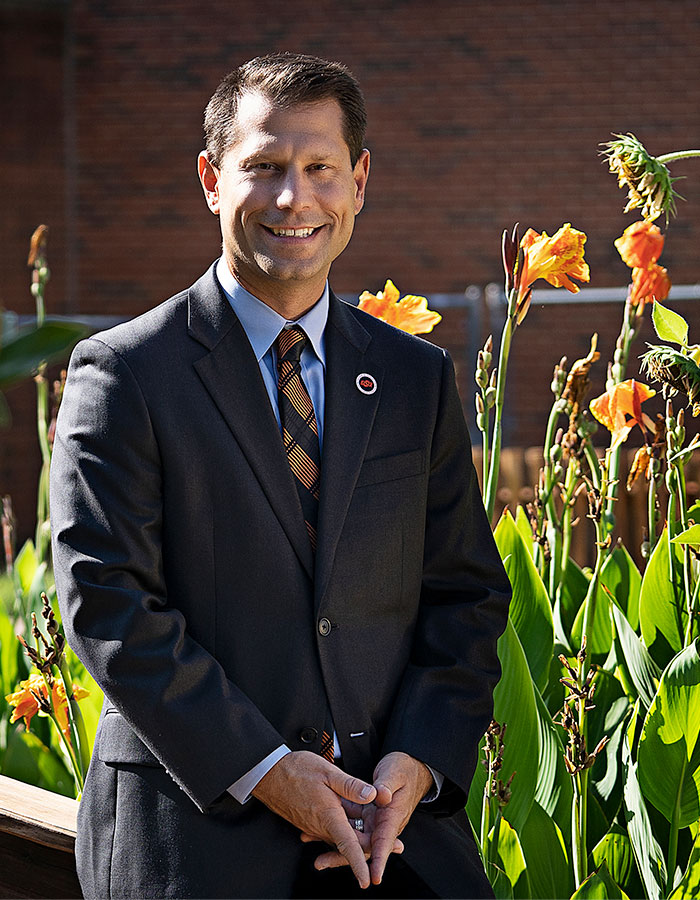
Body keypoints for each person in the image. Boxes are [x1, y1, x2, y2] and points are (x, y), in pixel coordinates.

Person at [50, 52, 511, 899]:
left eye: (319, 168)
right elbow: (107, 598)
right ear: (211, 180)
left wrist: (420, 760)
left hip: (390, 841)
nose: (293, 198)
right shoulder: (124, 374)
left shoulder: (415, 379)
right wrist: (266, 769)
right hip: (196, 843)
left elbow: (466, 594)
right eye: (263, 167)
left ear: (359, 181)